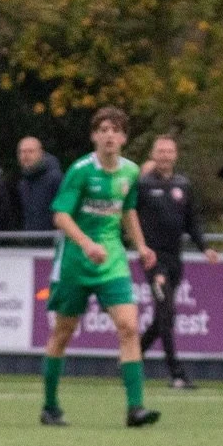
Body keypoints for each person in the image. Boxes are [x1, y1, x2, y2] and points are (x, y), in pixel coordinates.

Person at [39, 106, 160, 428]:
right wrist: (86, 244)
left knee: (129, 326)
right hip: (76, 262)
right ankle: (50, 406)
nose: (109, 135)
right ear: (94, 136)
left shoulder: (130, 172)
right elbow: (61, 216)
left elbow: (127, 211)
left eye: (115, 130)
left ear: (123, 137)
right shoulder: (80, 171)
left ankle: (135, 409)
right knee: (63, 333)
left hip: (112, 261)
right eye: (103, 129)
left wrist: (141, 245)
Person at [136, 135, 219, 388]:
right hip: (154, 260)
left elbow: (191, 222)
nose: (164, 156)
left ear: (175, 155)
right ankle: (177, 374)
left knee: (165, 318)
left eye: (169, 151)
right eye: (160, 151)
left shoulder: (183, 185)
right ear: (153, 154)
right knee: (166, 312)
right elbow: (128, 217)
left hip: (175, 260)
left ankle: (132, 356)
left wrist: (205, 248)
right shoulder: (143, 185)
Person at [12, 136, 63, 232]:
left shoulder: (55, 179)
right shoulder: (23, 183)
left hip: (52, 240)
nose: (25, 155)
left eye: (30, 151)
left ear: (41, 153)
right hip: (31, 241)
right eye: (22, 152)